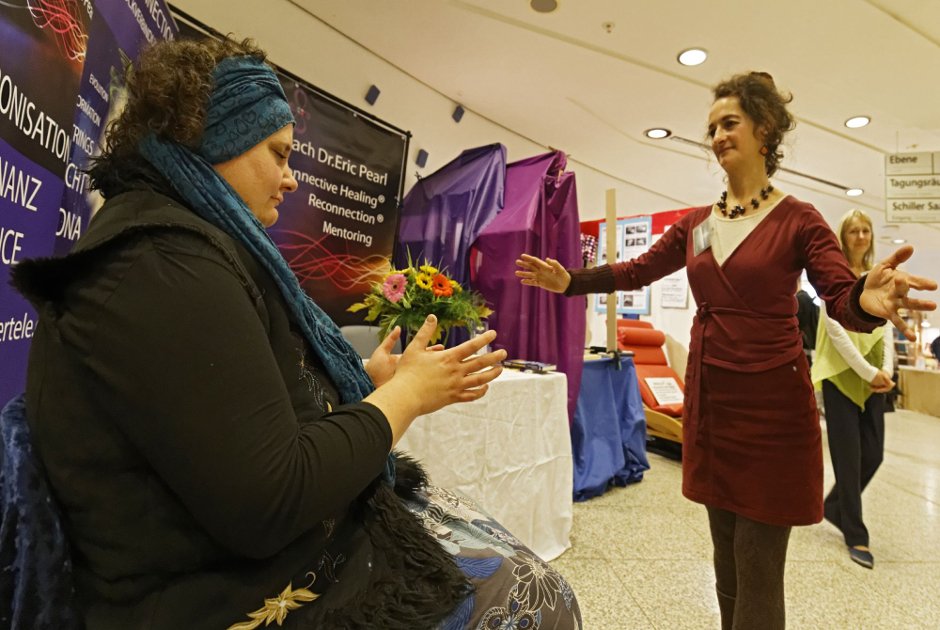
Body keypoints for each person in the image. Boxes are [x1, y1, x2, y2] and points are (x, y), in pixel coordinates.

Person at [11, 37, 581, 629]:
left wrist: (365, 384)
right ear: (217, 141)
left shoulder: (179, 248)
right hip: (207, 594)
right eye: (279, 155)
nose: (290, 180)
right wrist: (405, 396)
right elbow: (270, 502)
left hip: (224, 561)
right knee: (542, 596)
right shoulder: (162, 266)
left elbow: (243, 422)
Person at [516, 71, 936, 630]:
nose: (716, 136)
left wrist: (866, 295)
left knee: (758, 567)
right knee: (726, 563)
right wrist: (570, 281)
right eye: (711, 127)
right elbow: (636, 270)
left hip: (773, 413)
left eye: (729, 123)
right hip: (714, 406)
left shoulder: (799, 219)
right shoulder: (697, 225)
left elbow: (839, 295)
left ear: (765, 130)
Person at [811, 209, 894, 569]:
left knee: (873, 454)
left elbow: (888, 324)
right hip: (842, 374)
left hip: (875, 376)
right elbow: (835, 331)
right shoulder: (835, 276)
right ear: (843, 237)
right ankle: (856, 535)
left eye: (866, 230)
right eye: (853, 231)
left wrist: (885, 370)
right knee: (848, 457)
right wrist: (865, 370)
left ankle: (833, 506)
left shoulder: (882, 277)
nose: (860, 236)